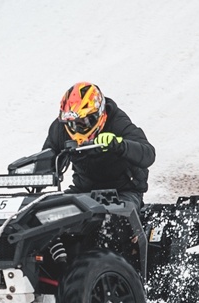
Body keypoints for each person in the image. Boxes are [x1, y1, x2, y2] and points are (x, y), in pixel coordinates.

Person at [42, 82, 155, 212]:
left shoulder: (117, 122)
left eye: (84, 122)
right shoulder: (60, 129)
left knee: (114, 218)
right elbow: (47, 159)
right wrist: (36, 172)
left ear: (99, 114)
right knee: (47, 213)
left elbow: (148, 154)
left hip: (122, 191)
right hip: (83, 190)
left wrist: (119, 145)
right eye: (72, 124)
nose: (77, 129)